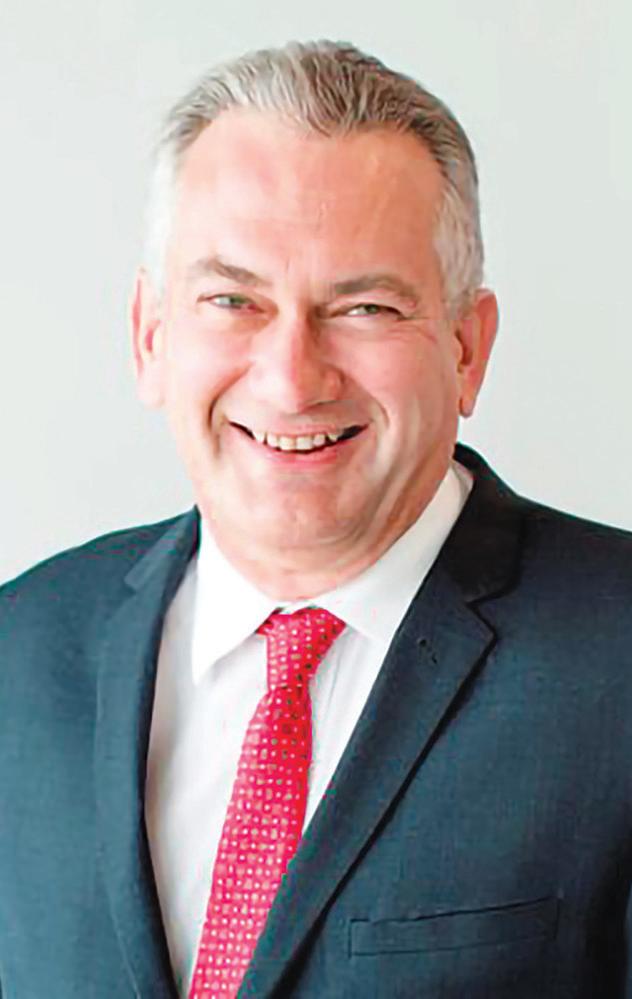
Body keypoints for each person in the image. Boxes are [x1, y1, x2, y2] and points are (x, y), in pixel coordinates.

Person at [1, 38, 631, 999]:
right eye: (233, 300)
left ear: (467, 349)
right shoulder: (20, 647)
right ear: (151, 337)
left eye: (364, 307)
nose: (292, 379)